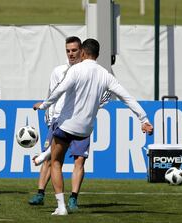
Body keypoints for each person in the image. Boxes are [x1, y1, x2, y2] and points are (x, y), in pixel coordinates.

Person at [33, 38, 154, 215]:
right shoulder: (105, 75)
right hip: (84, 129)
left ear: (82, 52)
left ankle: (61, 207)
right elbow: (127, 97)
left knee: (56, 162)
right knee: (77, 161)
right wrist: (143, 119)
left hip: (66, 125)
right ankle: (48, 162)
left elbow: (59, 89)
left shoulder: (76, 70)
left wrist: (44, 105)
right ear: (97, 55)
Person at [28, 36, 89, 212]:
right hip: (58, 120)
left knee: (79, 160)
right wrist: (50, 115)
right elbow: (52, 94)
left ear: (82, 51)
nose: (71, 54)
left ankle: (73, 199)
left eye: (74, 50)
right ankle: (40, 193)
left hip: (80, 121)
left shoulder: (87, 72)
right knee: (51, 159)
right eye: (68, 51)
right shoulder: (58, 71)